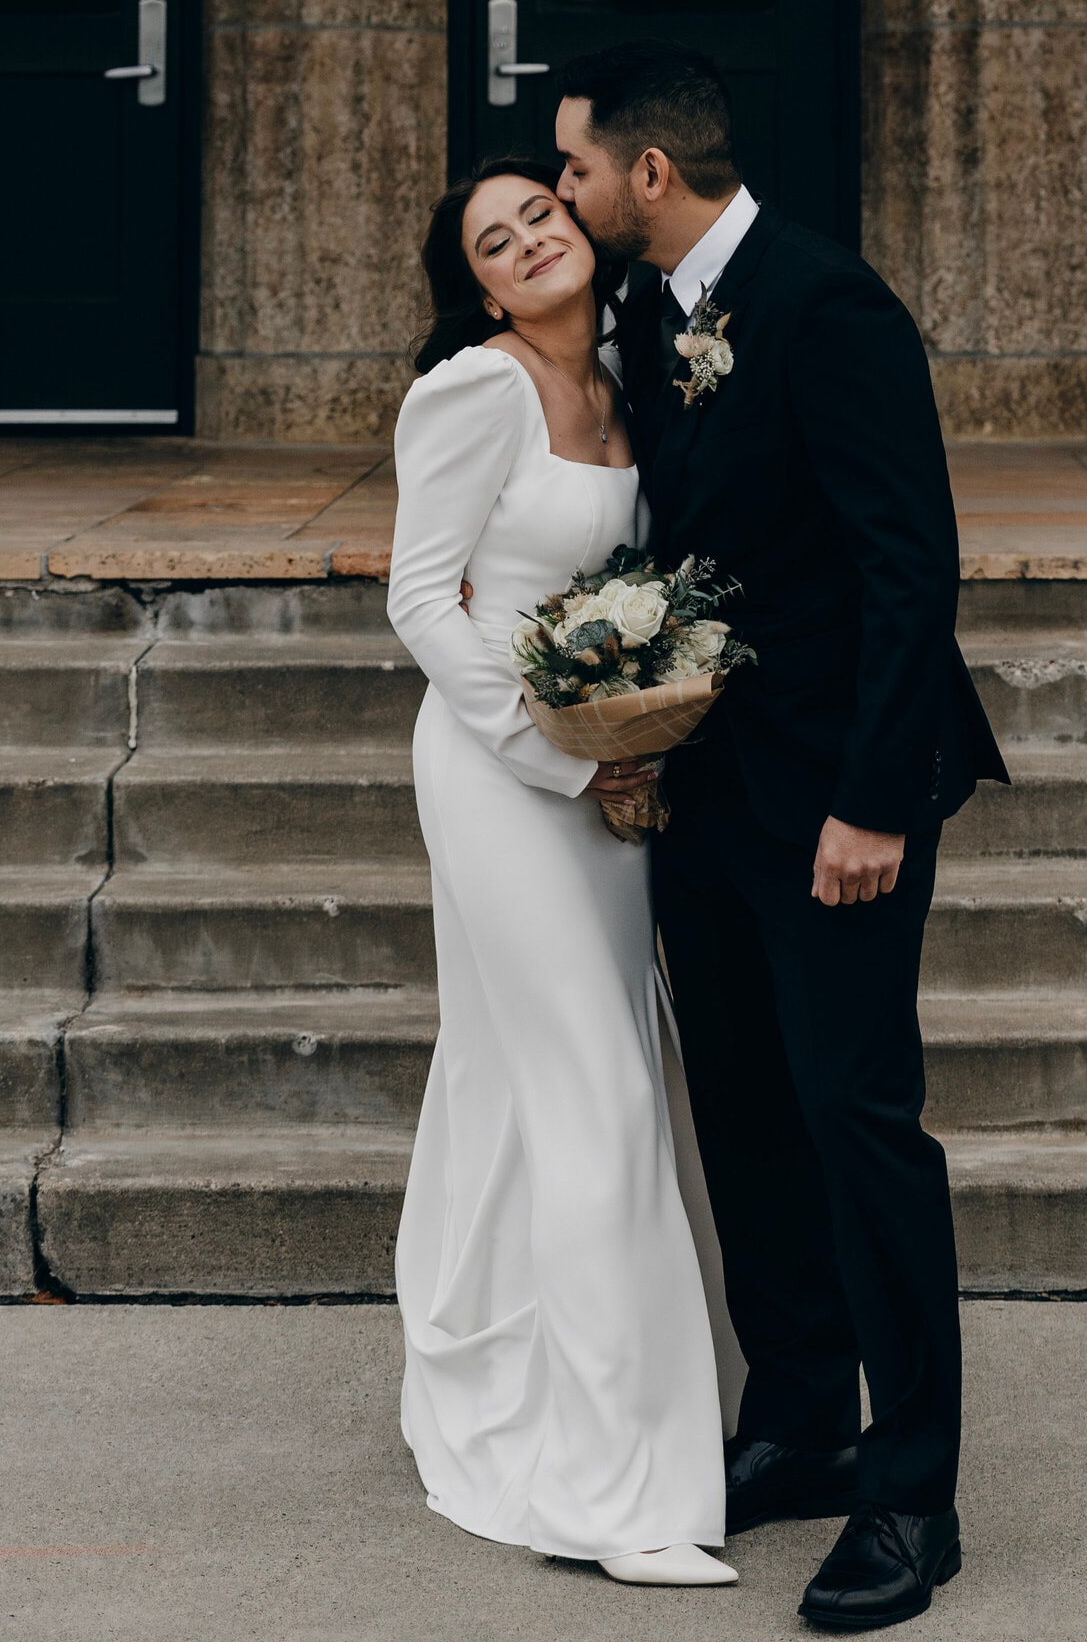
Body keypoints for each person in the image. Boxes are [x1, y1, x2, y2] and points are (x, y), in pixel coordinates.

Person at [554, 44, 1009, 1635]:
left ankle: (912, 1495)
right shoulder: (650, 312)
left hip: (840, 796)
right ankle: (803, 1422)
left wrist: (876, 800)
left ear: (650, 178)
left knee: (858, 1119)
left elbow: (911, 566)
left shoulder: (828, 306)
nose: (565, 195)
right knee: (744, 1111)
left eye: (577, 172)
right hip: (709, 790)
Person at [385, 155, 735, 1588]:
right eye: (496, 237)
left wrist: (632, 732)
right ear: (476, 284)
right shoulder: (473, 392)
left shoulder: (632, 375)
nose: (530, 238)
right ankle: (614, 1496)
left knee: (531, 1081)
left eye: (540, 210)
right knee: (593, 1089)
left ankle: (474, 1366)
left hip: (606, 776)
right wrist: (556, 758)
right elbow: (422, 597)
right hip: (498, 778)